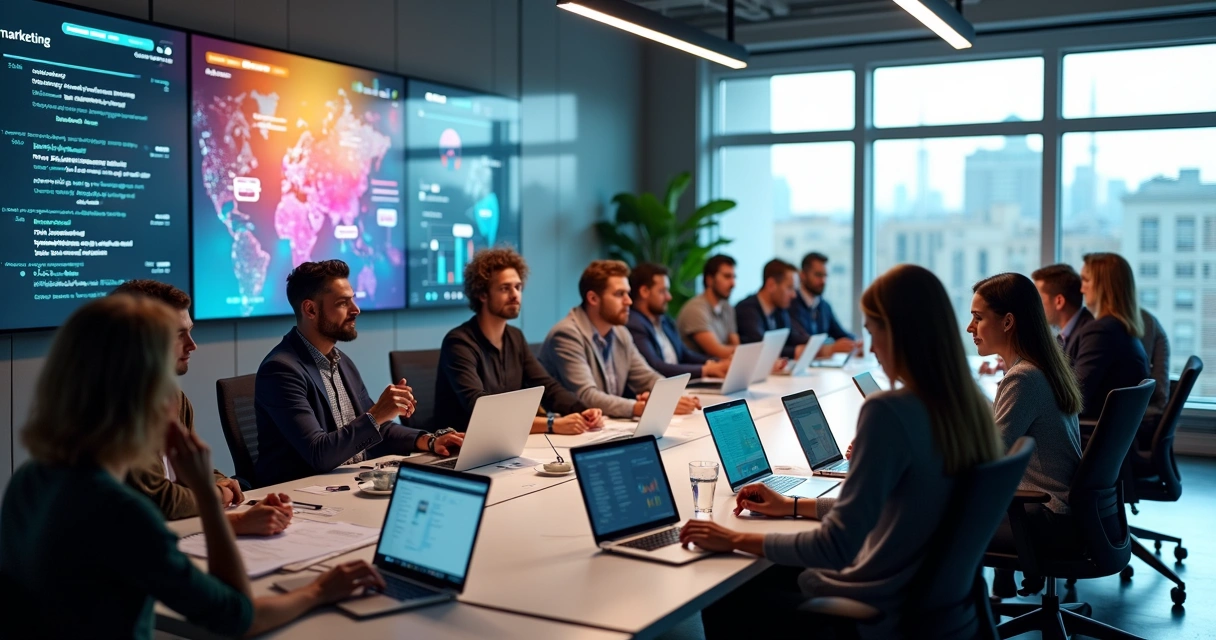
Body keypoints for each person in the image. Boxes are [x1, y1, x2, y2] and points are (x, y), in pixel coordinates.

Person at [0, 295, 386, 639]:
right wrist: (321, 589)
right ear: (147, 385)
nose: (193, 346)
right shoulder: (120, 514)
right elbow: (237, 617)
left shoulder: (30, 480)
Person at [679, 265, 1001, 639]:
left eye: (872, 331)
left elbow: (836, 545)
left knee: (729, 590)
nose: (872, 345)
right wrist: (793, 505)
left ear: (896, 333)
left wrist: (732, 538)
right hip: (940, 609)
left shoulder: (889, 412)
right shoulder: (972, 405)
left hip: (878, 609)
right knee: (774, 562)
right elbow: (894, 508)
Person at [254, 260, 463, 486]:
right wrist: (377, 414)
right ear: (311, 309)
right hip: (301, 497)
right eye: (343, 303)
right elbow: (319, 454)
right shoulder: (281, 371)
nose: (356, 310)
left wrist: (429, 441)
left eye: (353, 299)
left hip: (350, 485)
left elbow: (378, 430)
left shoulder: (341, 361)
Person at [111, 280, 293, 535]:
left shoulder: (173, 396)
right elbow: (158, 500)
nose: (192, 344)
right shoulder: (115, 407)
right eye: (178, 334)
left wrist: (219, 481)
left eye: (190, 330)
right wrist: (217, 494)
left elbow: (192, 470)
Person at [967, 273, 1084, 598]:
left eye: (977, 318)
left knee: (939, 512)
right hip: (1061, 511)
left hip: (1046, 517)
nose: (969, 327)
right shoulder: (1041, 367)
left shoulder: (1024, 379)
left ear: (1007, 322)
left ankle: (959, 620)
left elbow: (987, 458)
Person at [433, 248, 605, 434]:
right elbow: (482, 410)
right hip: (459, 448)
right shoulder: (459, 343)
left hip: (503, 444)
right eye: (505, 288)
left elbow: (546, 386)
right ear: (482, 294)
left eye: (518, 287)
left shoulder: (515, 337)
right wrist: (550, 424)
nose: (515, 295)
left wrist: (581, 409)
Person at [540, 260, 701, 419]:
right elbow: (586, 396)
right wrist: (642, 408)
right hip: (567, 432)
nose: (629, 301)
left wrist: (675, 396)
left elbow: (646, 376)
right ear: (593, 299)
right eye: (619, 294)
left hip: (605, 426)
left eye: (628, 293)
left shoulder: (620, 332)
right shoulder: (566, 334)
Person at [1075, 253, 1151, 422]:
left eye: (1086, 280)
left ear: (1104, 286)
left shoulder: (1101, 332)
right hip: (1114, 442)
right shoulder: (1123, 330)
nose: (1082, 289)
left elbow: (1074, 397)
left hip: (1089, 437)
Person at [980, 263, 1092, 376]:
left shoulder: (1092, 333)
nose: (1033, 306)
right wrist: (1008, 365)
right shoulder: (1063, 336)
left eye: (1038, 299)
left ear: (1059, 301)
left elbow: (1078, 387)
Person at [626, 262, 730, 379]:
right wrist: (704, 370)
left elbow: (685, 354)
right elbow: (655, 366)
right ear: (644, 291)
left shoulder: (665, 320)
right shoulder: (634, 324)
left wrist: (718, 363)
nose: (669, 297)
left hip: (680, 385)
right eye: (662, 291)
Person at [734, 259, 811, 359]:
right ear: (771, 285)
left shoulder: (779, 310)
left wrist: (811, 344)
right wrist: (794, 351)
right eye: (789, 288)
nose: (794, 295)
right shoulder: (747, 309)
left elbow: (792, 337)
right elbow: (761, 347)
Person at [791, 252, 859, 358]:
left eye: (825, 275)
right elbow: (799, 339)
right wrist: (831, 348)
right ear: (803, 275)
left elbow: (840, 333)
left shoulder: (823, 306)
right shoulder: (789, 304)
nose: (823, 281)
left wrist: (856, 343)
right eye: (818, 275)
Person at [676, 254, 740, 359]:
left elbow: (735, 345)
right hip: (699, 371)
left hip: (721, 369)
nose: (733, 283)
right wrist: (755, 354)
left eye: (734, 277)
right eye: (727, 277)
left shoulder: (727, 307)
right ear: (709, 280)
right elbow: (718, 351)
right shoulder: (695, 309)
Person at [1139, 308, 1171, 429]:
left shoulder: (1143, 323)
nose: (1083, 289)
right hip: (1146, 411)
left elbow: (1160, 395)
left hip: (1145, 417)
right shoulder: (1147, 319)